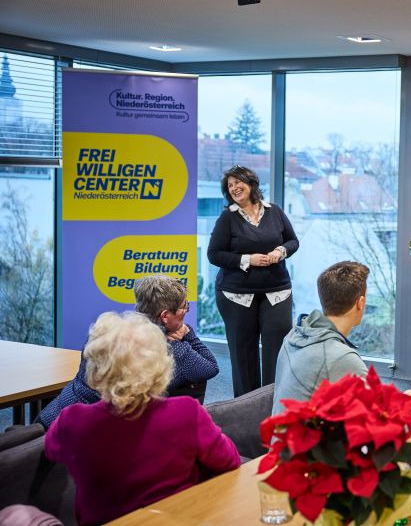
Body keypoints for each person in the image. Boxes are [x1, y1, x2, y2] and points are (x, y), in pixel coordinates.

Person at [44, 312, 240, 526]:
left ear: (94, 369)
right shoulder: (187, 412)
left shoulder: (72, 421)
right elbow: (229, 460)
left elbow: (51, 450)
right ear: (160, 366)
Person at [38, 275, 218, 428]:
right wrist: (188, 333)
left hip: (51, 419)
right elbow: (210, 366)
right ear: (165, 316)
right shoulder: (172, 352)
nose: (186, 310)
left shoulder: (106, 332)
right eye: (184, 306)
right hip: (85, 438)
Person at [207, 165, 299, 397]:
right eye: (230, 185)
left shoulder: (275, 211)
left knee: (277, 354)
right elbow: (214, 254)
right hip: (237, 295)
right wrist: (248, 259)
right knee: (244, 356)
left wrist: (280, 251)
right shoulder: (227, 217)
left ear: (251, 183)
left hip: (277, 292)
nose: (234, 188)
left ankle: (275, 405)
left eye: (238, 182)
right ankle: (245, 409)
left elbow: (293, 241)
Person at [272, 261, 370, 414]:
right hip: (306, 429)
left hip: (280, 428)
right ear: (360, 303)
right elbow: (377, 415)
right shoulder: (343, 358)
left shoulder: (293, 336)